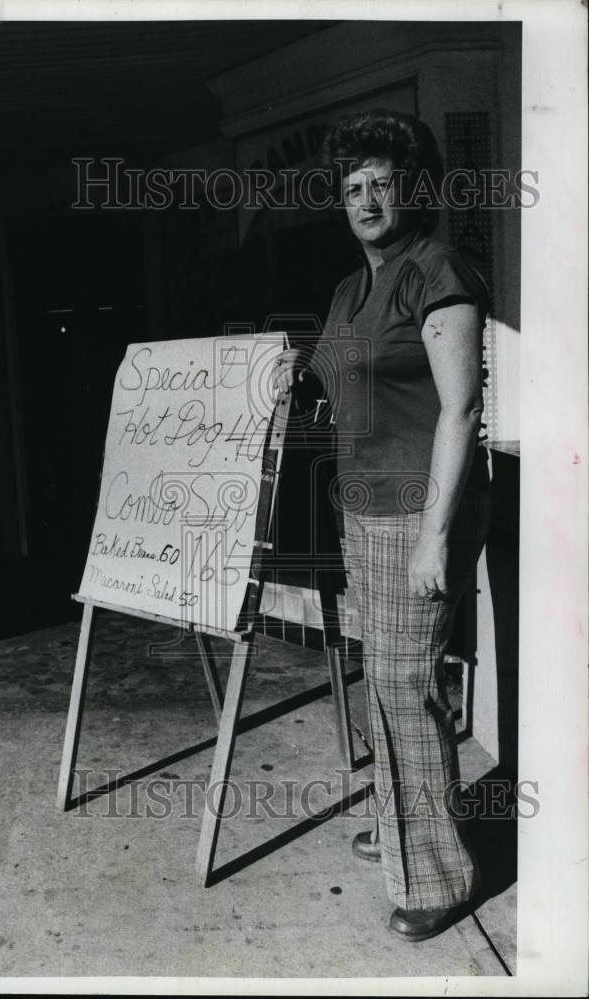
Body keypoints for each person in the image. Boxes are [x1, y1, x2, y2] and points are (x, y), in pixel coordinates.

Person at [274, 109, 492, 942]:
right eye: (352, 186)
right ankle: (405, 827)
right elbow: (341, 378)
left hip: (419, 511)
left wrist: (436, 536)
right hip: (360, 509)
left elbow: (459, 409)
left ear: (410, 189)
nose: (365, 198)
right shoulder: (346, 288)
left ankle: (436, 878)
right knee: (383, 679)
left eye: (380, 183)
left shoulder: (434, 268)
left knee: (406, 686)